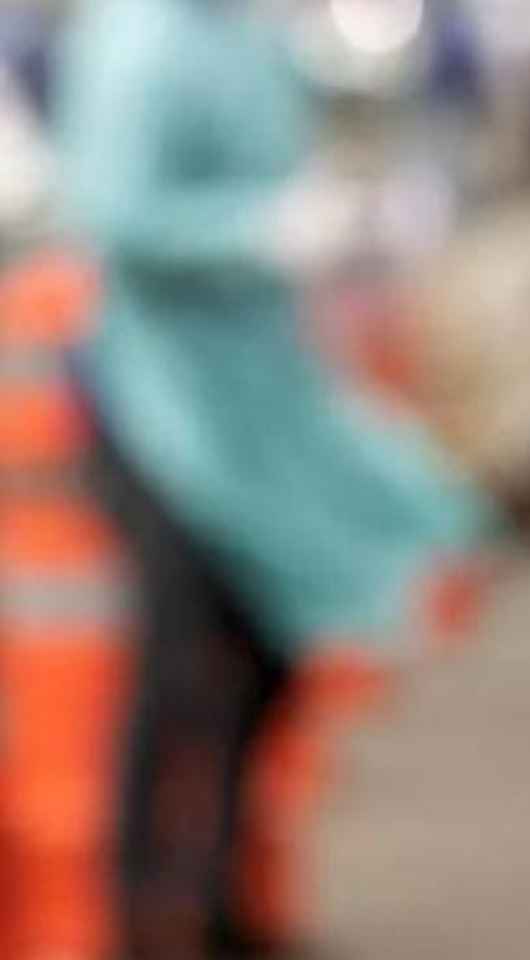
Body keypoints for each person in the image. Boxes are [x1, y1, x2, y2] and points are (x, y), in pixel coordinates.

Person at [54, 0, 491, 954]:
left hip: (260, 395)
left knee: (267, 654)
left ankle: (221, 899)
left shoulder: (250, 37)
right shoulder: (140, 39)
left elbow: (292, 171)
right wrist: (261, 230)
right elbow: (115, 217)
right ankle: (142, 919)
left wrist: (341, 223)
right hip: (155, 405)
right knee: (175, 671)